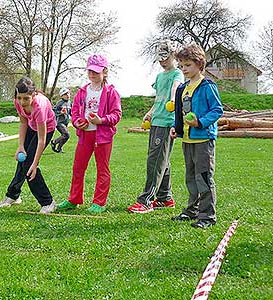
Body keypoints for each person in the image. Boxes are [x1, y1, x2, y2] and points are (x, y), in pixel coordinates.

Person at [57, 54, 122, 213]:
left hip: (103, 137)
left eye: (96, 71)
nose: (92, 74)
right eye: (90, 71)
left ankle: (99, 203)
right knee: (78, 167)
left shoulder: (111, 93)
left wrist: (101, 120)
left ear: (104, 72)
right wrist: (77, 121)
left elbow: (116, 114)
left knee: (102, 169)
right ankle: (74, 199)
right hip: (85, 135)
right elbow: (75, 111)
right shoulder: (82, 91)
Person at [169, 43, 223, 228]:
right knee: (190, 177)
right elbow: (178, 112)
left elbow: (217, 110)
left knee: (204, 177)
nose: (184, 69)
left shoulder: (207, 86)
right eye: (181, 65)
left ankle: (207, 216)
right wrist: (177, 128)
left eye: (188, 65)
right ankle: (192, 210)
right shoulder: (182, 88)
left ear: (199, 64)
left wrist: (199, 122)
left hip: (203, 139)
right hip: (187, 140)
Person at [127, 40, 184, 213]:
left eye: (165, 57)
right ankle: (165, 198)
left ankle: (146, 200)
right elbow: (159, 96)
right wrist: (150, 112)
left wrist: (174, 99)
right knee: (162, 160)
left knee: (155, 161)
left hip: (167, 122)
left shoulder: (177, 74)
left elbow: (175, 88)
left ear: (173, 55)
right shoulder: (159, 77)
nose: (162, 61)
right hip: (156, 120)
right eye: (159, 58)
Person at [0, 77, 57, 214]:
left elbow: (41, 140)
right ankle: (13, 195)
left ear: (34, 95)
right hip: (31, 126)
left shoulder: (39, 107)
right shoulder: (18, 102)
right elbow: (23, 123)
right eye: (19, 98)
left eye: (26, 98)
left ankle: (48, 202)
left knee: (29, 164)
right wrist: (20, 146)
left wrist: (35, 164)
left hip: (46, 129)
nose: (22, 102)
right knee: (22, 160)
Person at [50, 87, 72, 153]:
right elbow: (53, 111)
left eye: (68, 93)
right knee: (66, 134)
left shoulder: (69, 103)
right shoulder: (60, 103)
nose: (67, 95)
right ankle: (54, 142)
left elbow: (71, 112)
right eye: (65, 94)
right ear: (62, 96)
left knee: (65, 136)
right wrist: (60, 112)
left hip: (65, 122)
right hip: (59, 122)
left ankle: (59, 149)